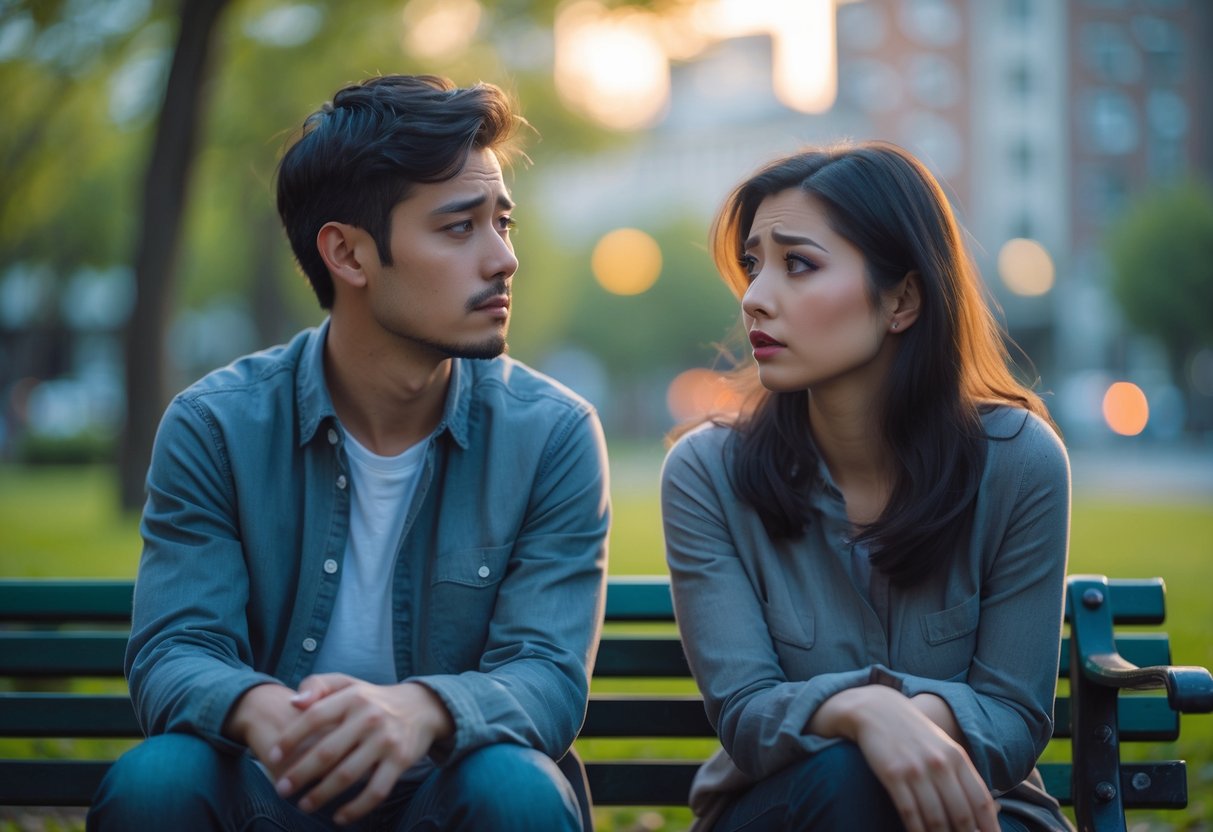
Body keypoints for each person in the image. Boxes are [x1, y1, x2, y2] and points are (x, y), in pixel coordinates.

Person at [88, 74, 610, 832]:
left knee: (515, 787)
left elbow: (547, 676)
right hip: (271, 793)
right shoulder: (216, 427)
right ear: (348, 254)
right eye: (459, 228)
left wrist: (418, 710)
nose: (503, 260)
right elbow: (175, 649)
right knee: (160, 780)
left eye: (503, 223)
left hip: (448, 793)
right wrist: (264, 711)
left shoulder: (552, 434)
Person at [661, 142, 1072, 832]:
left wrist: (900, 724)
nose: (755, 299)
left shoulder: (1020, 462)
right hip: (782, 809)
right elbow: (746, 713)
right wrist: (866, 712)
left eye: (798, 264)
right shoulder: (706, 472)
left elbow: (1012, 717)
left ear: (902, 299)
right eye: (752, 266)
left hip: (977, 809)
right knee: (848, 778)